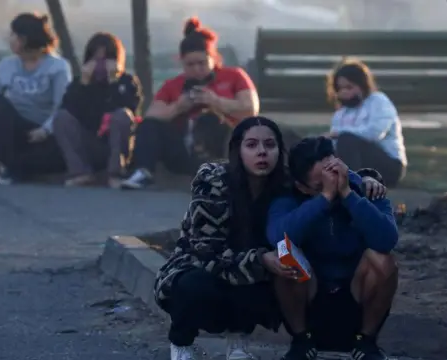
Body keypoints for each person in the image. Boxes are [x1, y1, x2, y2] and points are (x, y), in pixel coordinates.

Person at [153, 117, 387, 360]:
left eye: (270, 145)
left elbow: (323, 172)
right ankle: (181, 343)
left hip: (263, 268)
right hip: (204, 264)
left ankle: (238, 342)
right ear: (238, 150)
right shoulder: (214, 182)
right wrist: (260, 259)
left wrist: (367, 178)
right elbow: (206, 251)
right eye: (252, 145)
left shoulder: (286, 183)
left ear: (279, 150)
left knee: (272, 283)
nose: (262, 152)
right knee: (194, 287)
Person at [267, 136, 399, 360]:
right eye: (320, 185)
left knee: (384, 260)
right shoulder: (289, 196)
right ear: (302, 186)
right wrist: (325, 198)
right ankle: (301, 340)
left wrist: (348, 194)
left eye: (335, 177)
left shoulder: (365, 188)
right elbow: (277, 238)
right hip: (311, 295)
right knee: (281, 256)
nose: (332, 185)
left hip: (356, 294)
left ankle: (366, 342)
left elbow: (387, 239)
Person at [121, 17, 259, 190]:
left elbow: (250, 110)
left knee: (210, 119)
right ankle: (143, 172)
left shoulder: (234, 76)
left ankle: (220, 173)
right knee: (149, 126)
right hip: (183, 148)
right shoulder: (173, 85)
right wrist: (178, 107)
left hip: (223, 145)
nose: (196, 69)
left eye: (202, 63)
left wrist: (216, 102)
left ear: (213, 58)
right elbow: (152, 116)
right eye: (190, 65)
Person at [0, 12, 71, 185]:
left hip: (43, 132)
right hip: (14, 127)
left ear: (25, 38)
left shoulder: (57, 67)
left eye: (13, 35)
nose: (10, 39)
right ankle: (12, 164)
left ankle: (17, 167)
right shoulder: (6, 64)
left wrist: (45, 130)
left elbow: (62, 106)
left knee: (57, 153)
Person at [53, 32, 142, 188]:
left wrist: (113, 82)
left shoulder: (127, 82)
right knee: (61, 118)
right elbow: (69, 109)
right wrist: (84, 84)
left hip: (114, 144)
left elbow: (131, 110)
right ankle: (80, 173)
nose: (100, 65)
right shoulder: (79, 84)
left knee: (122, 115)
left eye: (106, 59)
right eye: (96, 59)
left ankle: (116, 174)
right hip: (87, 141)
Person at [324, 59, 407, 187]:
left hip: (388, 165)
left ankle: (351, 187)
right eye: (340, 89)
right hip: (358, 163)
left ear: (362, 86)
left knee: (347, 139)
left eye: (349, 87)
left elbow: (374, 133)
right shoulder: (341, 113)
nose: (344, 92)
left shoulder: (378, 101)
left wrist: (339, 134)